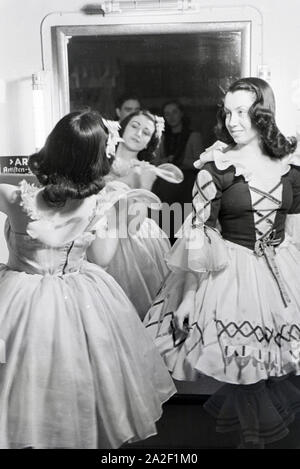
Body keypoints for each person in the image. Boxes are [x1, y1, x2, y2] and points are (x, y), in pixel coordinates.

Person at [0, 110, 176, 449]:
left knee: (22, 382)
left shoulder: (13, 197)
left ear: (52, 146)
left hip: (19, 297)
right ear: (98, 157)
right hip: (81, 298)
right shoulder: (99, 203)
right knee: (79, 383)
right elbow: (103, 259)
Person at [144, 77, 300, 448]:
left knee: (269, 372)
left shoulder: (291, 167)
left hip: (281, 272)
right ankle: (255, 442)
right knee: (244, 373)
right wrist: (188, 298)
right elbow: (199, 235)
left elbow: (294, 221)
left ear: (265, 113)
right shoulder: (216, 168)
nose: (233, 121)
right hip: (230, 274)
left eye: (244, 112)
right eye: (228, 112)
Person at [103, 110, 183, 320]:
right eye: (135, 126)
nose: (139, 134)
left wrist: (143, 185)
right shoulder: (98, 161)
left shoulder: (144, 171)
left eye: (146, 132)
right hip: (94, 231)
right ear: (123, 127)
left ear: (150, 142)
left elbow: (134, 224)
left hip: (130, 238)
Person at [152, 101, 204, 243]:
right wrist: (166, 161)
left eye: (174, 112)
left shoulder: (194, 135)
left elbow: (199, 163)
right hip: (166, 188)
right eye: (167, 114)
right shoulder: (162, 137)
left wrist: (179, 162)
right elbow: (155, 163)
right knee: (166, 226)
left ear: (181, 113)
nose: (171, 117)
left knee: (184, 228)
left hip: (186, 187)